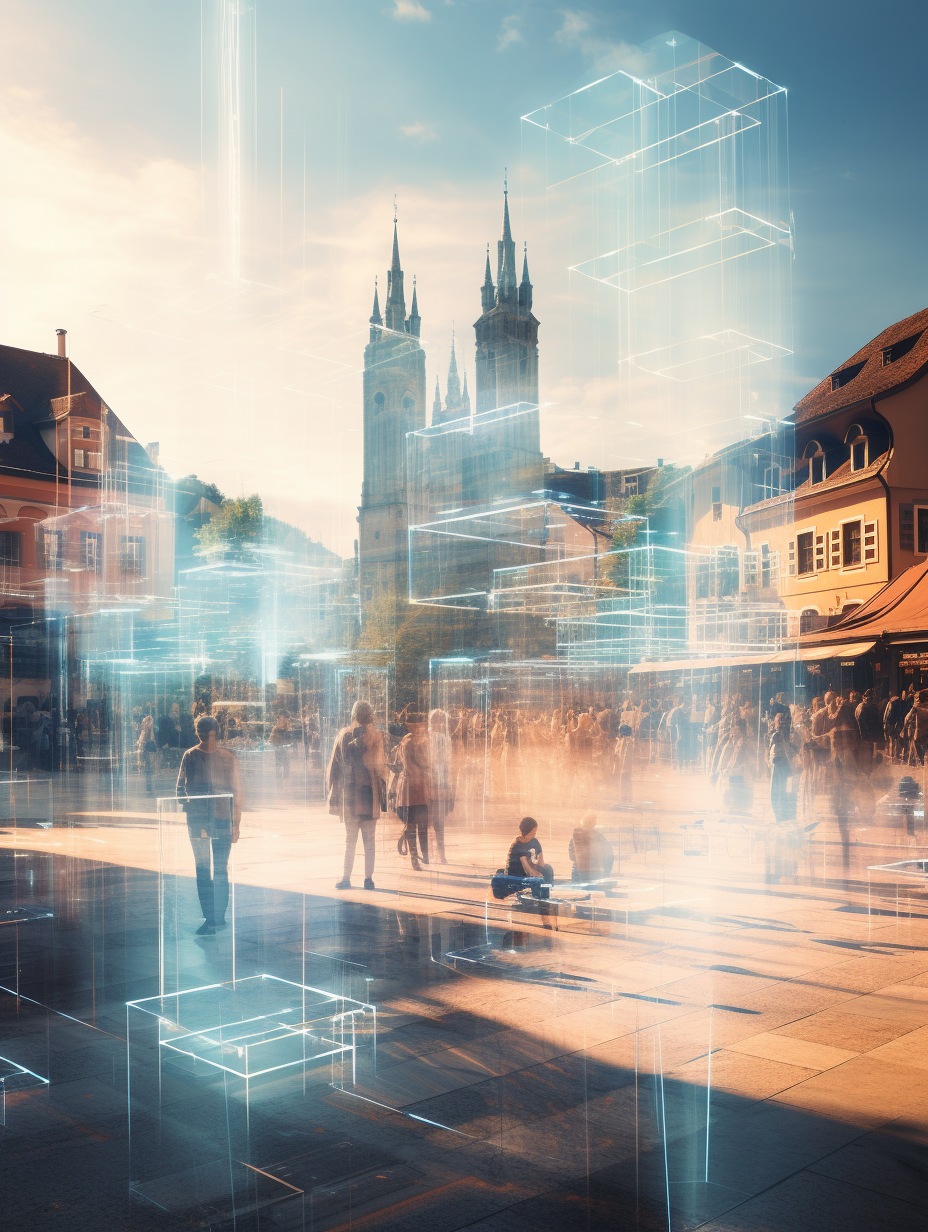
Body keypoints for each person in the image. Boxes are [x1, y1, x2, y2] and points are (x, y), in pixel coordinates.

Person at [176, 716, 243, 936]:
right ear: (217, 731)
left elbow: (179, 791)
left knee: (204, 870)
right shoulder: (228, 757)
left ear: (198, 733)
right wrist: (236, 823)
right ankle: (219, 917)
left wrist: (191, 805)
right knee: (220, 870)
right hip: (223, 819)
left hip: (198, 822)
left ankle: (210, 918)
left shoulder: (190, 756)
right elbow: (237, 792)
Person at [327, 700, 387, 890]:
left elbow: (334, 765)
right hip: (369, 793)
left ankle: (345, 878)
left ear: (353, 715)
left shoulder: (343, 734)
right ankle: (368, 878)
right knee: (369, 840)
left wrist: (333, 791)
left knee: (350, 839)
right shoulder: (376, 735)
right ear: (370, 715)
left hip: (350, 792)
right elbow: (380, 766)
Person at [394, 713, 431, 870]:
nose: (422, 728)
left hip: (416, 787)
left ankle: (422, 857)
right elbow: (417, 764)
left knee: (418, 823)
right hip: (412, 787)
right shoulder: (410, 743)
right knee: (414, 824)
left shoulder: (411, 741)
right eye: (420, 725)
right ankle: (416, 858)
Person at [427, 708, 453, 863]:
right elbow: (447, 761)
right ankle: (441, 855)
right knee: (439, 823)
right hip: (441, 784)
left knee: (424, 820)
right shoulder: (443, 738)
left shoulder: (425, 737)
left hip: (427, 782)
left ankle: (425, 854)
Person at [767, 712, 797, 823]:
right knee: (781, 791)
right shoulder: (785, 733)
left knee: (776, 792)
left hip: (780, 763)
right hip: (782, 764)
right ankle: (783, 817)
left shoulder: (779, 734)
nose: (774, 722)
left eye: (776, 720)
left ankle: (781, 817)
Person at [505, 816, 553, 883]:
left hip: (529, 872)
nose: (535, 832)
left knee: (548, 869)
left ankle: (549, 888)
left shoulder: (535, 841)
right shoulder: (518, 845)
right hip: (517, 876)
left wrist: (546, 871)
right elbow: (527, 868)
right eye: (535, 830)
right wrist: (538, 875)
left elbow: (541, 862)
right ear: (533, 829)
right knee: (538, 877)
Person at [568, 812, 614, 882]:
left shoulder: (576, 836)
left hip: (578, 872)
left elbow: (571, 856)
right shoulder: (599, 837)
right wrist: (606, 874)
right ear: (594, 824)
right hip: (594, 872)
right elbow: (609, 856)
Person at [137, 714, 157, 793]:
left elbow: (153, 739)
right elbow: (140, 742)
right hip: (146, 752)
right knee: (148, 771)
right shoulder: (144, 732)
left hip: (150, 751)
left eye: (145, 723)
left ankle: (150, 786)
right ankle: (149, 786)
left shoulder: (150, 731)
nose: (144, 724)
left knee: (150, 770)